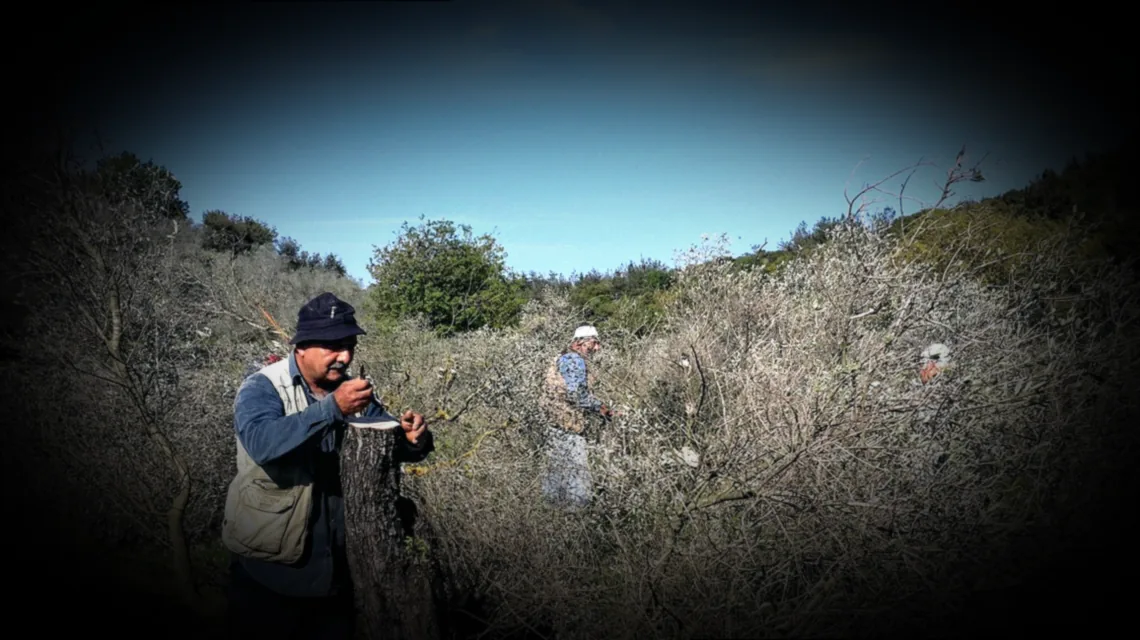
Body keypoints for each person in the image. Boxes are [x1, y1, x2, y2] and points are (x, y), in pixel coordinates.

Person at [221, 291, 434, 639]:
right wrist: (332, 409)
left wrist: (414, 440)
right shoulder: (262, 387)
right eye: (333, 347)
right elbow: (262, 444)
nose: (345, 356)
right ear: (301, 347)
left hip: (338, 575)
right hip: (270, 574)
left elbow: (382, 442)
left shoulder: (352, 391)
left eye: (349, 345)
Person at [538, 324, 615, 509]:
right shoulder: (574, 360)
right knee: (578, 479)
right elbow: (576, 395)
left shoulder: (562, 357)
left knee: (555, 476)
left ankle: (552, 519)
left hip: (554, 423)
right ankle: (578, 521)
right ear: (581, 343)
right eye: (594, 343)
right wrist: (602, 409)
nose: (597, 348)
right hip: (567, 425)